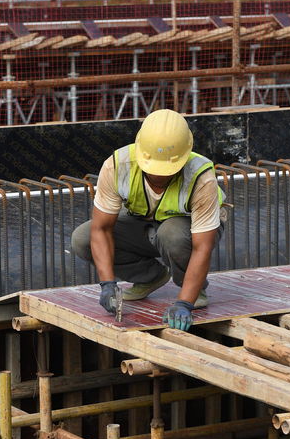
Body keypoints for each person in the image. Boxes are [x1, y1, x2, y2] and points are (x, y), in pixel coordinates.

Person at [71, 108, 226, 331]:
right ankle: (149, 277)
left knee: (171, 233)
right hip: (142, 222)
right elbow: (101, 230)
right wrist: (107, 284)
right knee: (82, 238)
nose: (160, 175)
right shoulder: (118, 165)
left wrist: (184, 303)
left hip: (186, 231)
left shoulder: (200, 176)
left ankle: (194, 289)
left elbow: (202, 247)